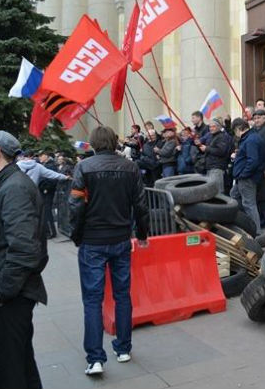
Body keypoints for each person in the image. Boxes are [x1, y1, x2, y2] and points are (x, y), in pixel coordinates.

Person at [69, 126, 149, 376]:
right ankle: (123, 348)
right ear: (115, 142)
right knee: (122, 294)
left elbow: (75, 206)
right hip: (120, 240)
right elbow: (140, 204)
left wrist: (76, 234)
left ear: (93, 143)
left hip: (92, 241)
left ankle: (95, 358)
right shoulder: (130, 167)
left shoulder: (84, 167)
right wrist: (143, 234)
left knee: (93, 299)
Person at [0, 131, 47, 389]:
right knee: (20, 364)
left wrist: (2, 291)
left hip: (11, 297)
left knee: (10, 371)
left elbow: (24, 249)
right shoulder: (9, 183)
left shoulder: (14, 187)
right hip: (13, 294)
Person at [17, 151, 70, 239]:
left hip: (20, 192)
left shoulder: (17, 166)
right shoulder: (38, 166)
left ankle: (23, 233)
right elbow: (52, 174)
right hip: (33, 192)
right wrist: (65, 177)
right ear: (32, 157)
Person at [230, 118, 265, 236]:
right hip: (244, 177)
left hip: (247, 178)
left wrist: (243, 174)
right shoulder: (251, 138)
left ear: (238, 128)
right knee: (234, 196)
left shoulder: (250, 139)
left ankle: (256, 231)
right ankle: (241, 223)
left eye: (234, 131)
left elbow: (253, 161)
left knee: (249, 204)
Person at [195, 117, 232, 194]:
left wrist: (206, 148)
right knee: (211, 191)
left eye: (213, 126)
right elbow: (205, 146)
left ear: (219, 127)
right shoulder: (211, 136)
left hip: (217, 167)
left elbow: (221, 151)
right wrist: (199, 144)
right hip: (209, 167)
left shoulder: (222, 137)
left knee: (217, 191)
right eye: (210, 127)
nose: (211, 128)